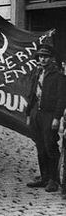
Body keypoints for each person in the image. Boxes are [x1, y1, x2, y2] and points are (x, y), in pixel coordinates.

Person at [26, 44, 66, 192]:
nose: (42, 59)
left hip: (49, 115)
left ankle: (54, 180)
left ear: (51, 59)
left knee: (50, 146)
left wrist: (56, 118)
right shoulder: (37, 73)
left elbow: (62, 99)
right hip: (37, 113)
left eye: (45, 57)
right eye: (40, 56)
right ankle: (44, 177)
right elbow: (31, 94)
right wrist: (29, 113)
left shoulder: (59, 76)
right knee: (40, 146)